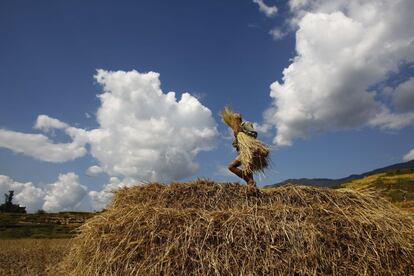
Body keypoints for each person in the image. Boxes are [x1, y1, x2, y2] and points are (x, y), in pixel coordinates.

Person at [227, 113, 257, 189]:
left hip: (250, 150)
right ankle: (252, 187)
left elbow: (254, 134)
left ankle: (250, 182)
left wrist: (242, 131)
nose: (233, 122)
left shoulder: (246, 124)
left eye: (235, 120)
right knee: (248, 171)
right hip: (242, 152)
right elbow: (235, 144)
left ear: (239, 119)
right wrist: (236, 136)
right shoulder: (235, 129)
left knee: (231, 166)